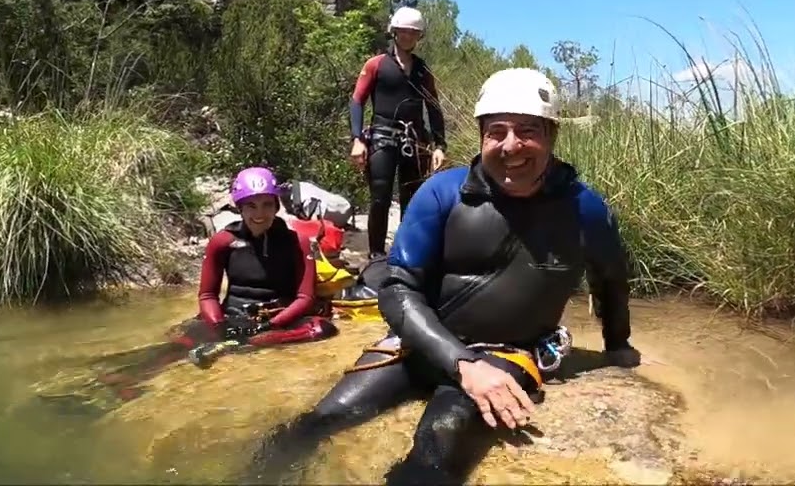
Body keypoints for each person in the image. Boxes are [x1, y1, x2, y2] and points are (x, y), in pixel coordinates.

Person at [241, 68, 640, 485]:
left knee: (437, 444)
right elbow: (397, 288)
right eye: (496, 131)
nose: (510, 146)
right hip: (422, 345)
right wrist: (461, 362)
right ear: (482, 135)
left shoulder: (585, 210)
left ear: (552, 135)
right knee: (320, 421)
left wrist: (618, 344)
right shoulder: (442, 193)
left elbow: (611, 279)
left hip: (504, 354)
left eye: (527, 131)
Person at [348, 6, 447, 258]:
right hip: (382, 136)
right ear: (394, 32)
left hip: (415, 140)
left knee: (411, 200)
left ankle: (406, 252)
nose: (408, 37)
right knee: (380, 197)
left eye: (414, 33)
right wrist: (357, 139)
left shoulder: (423, 70)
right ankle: (376, 255)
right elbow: (357, 100)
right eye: (404, 32)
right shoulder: (376, 64)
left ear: (419, 36)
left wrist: (439, 145)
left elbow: (433, 107)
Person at [197, 166, 317, 338]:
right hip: (232, 318)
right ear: (240, 208)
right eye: (251, 206)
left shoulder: (298, 242)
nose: (259, 214)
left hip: (278, 320)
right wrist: (219, 327)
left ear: (276, 207)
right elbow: (207, 295)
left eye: (267, 204)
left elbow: (305, 297)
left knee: (322, 329)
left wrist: (268, 327)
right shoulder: (222, 241)